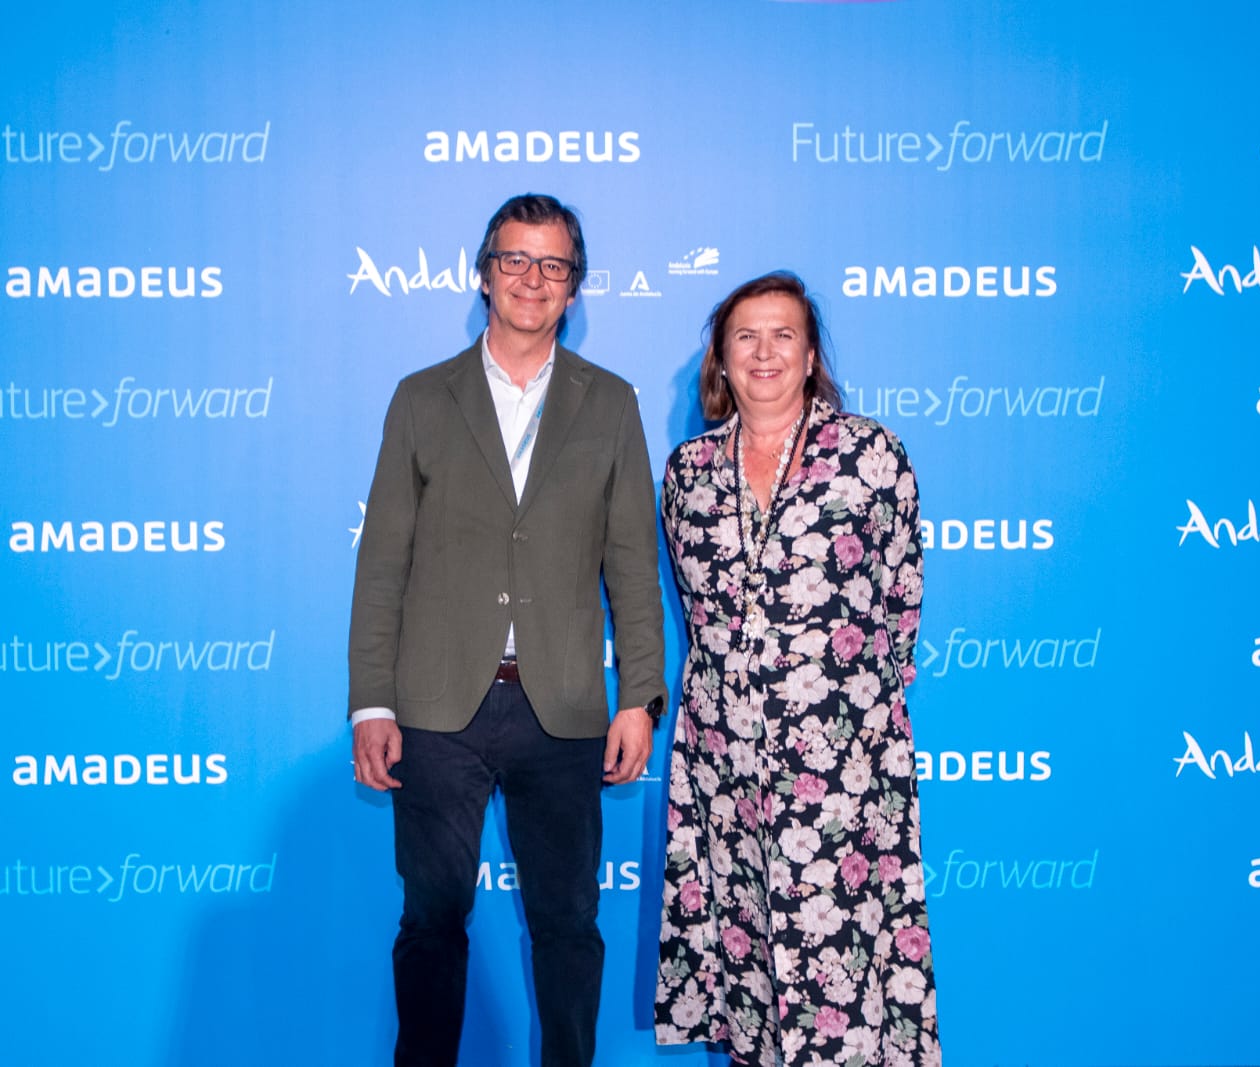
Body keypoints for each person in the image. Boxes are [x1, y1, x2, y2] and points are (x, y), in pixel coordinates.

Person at [348, 193, 666, 1067]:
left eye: (553, 264)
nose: (533, 278)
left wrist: (638, 696)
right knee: (431, 921)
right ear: (484, 274)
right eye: (515, 260)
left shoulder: (611, 403)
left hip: (562, 705)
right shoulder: (422, 398)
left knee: (569, 924)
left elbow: (632, 565)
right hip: (437, 706)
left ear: (575, 286)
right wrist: (372, 702)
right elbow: (382, 565)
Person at [654, 272, 941, 1065]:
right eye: (745, 336)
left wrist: (855, 710)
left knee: (843, 963)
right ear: (721, 358)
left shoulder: (870, 454)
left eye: (783, 334)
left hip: (842, 765)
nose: (764, 352)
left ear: (811, 355)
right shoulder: (689, 470)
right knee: (750, 961)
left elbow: (902, 592)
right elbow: (700, 607)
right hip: (726, 764)